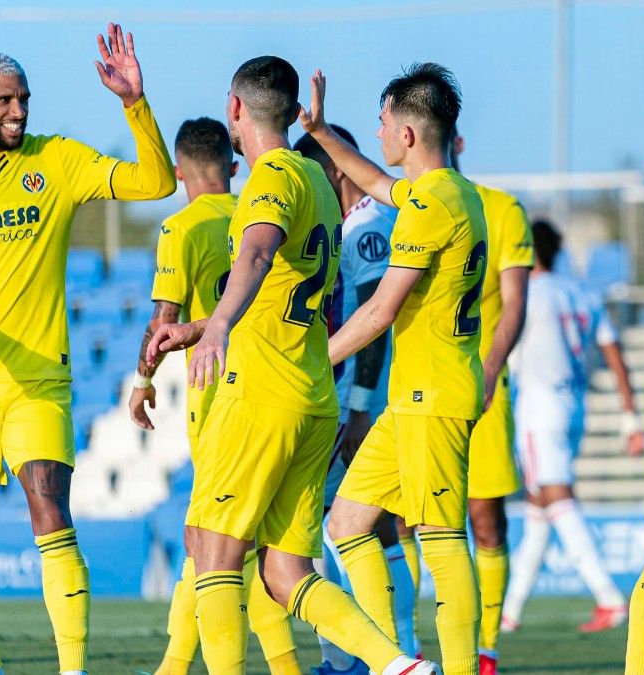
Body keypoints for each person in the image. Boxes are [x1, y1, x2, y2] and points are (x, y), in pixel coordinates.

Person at [0, 25, 175, 675]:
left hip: (37, 381)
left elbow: (156, 182)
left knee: (51, 509)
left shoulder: (57, 161)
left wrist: (134, 104)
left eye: (24, 98)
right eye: (4, 100)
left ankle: (72, 670)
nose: (19, 110)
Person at [146, 56, 436, 675]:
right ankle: (396, 664)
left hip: (258, 394)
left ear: (234, 109)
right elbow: (282, 289)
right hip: (310, 396)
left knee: (214, 552)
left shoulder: (273, 175)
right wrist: (196, 328)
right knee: (285, 571)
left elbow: (255, 253)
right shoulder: (317, 183)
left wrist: (216, 323)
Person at [299, 63, 489, 675]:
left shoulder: (432, 206)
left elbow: (381, 309)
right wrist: (323, 132)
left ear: (407, 133)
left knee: (440, 540)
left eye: (382, 122)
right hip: (410, 397)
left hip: (434, 395)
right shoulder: (447, 192)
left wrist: (308, 359)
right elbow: (378, 183)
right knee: (347, 523)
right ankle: (392, 659)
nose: (377, 133)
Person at [127, 117, 303, 675]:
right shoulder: (258, 211)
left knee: (213, 544)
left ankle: (180, 665)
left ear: (178, 172)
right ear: (233, 167)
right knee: (250, 544)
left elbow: (164, 321)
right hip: (282, 382)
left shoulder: (181, 227)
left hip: (217, 392)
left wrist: (143, 381)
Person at [390, 126, 534, 673]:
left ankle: (486, 646)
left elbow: (514, 302)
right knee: (403, 517)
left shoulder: (500, 210)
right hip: (423, 384)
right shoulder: (420, 202)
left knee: (483, 519)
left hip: (477, 381)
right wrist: (323, 132)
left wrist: (491, 370)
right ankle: (408, 644)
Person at [293, 125, 416, 674]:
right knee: (364, 525)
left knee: (336, 522)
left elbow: (375, 320)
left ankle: (350, 661)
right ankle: (385, 653)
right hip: (363, 393)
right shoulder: (356, 221)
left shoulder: (366, 225)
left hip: (357, 397)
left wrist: (362, 402)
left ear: (334, 169)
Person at [499, 219, 644, 634]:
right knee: (539, 510)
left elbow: (503, 346)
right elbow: (614, 354)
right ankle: (508, 613)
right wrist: (629, 416)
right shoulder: (582, 292)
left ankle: (609, 598)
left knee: (556, 499)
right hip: (574, 406)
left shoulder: (525, 295)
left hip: (538, 407)